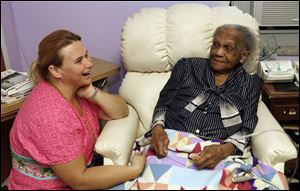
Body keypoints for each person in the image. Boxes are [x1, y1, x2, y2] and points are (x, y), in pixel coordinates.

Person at [8, 29, 146, 190]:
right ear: (55, 71)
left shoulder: (75, 89)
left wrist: (93, 93)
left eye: (86, 55)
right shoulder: (51, 116)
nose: (89, 63)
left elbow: (121, 111)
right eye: (79, 60)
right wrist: (133, 170)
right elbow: (79, 181)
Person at [149, 24, 261, 170]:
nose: (218, 52)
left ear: (243, 56)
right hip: (170, 145)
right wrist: (157, 130)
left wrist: (222, 151)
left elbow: (247, 128)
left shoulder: (250, 83)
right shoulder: (187, 67)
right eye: (215, 45)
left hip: (218, 153)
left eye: (228, 48)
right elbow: (163, 105)